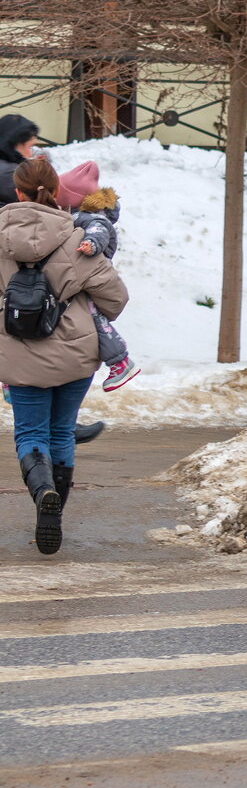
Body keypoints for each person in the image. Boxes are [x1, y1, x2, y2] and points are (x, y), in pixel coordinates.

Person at [0, 158, 128, 554]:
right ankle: (52, 516)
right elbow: (116, 298)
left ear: (17, 192)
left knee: (31, 433)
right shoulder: (78, 240)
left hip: (18, 357)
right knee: (61, 432)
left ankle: (43, 493)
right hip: (75, 354)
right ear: (56, 192)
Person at [0, 118, 106, 445]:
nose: (32, 148)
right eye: (28, 143)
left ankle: (55, 426)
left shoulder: (14, 170)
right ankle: (60, 427)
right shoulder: (10, 173)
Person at [58, 162, 140, 391]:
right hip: (84, 271)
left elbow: (99, 231)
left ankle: (120, 361)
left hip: (91, 271)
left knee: (95, 318)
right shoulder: (78, 215)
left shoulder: (91, 217)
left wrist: (90, 244)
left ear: (74, 198)